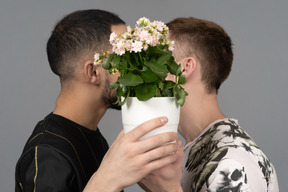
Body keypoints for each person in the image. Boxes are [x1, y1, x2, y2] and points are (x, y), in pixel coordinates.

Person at [15, 9, 183, 192]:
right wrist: (107, 180)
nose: (137, 69)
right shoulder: (48, 153)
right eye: (124, 58)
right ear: (93, 72)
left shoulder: (91, 136)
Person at [164, 17, 279, 191]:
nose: (143, 72)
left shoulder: (230, 164)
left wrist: (163, 189)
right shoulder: (197, 151)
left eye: (155, 60)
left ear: (185, 68)